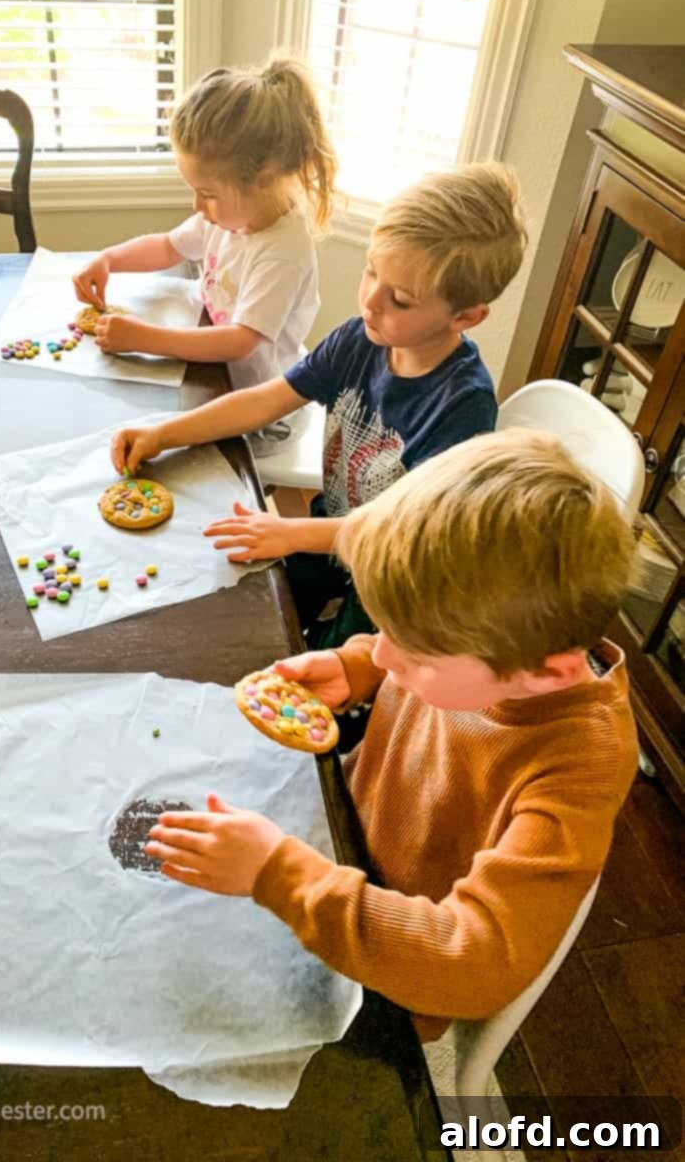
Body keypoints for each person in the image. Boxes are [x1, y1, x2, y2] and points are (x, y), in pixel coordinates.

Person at [144, 430, 639, 1040]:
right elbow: (416, 663)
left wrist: (277, 873)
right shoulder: (490, 650)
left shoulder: (578, 768)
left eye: (414, 653)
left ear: (547, 670)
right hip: (339, 835)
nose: (386, 653)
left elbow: (474, 966)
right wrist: (358, 669)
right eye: (383, 631)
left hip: (391, 962)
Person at [112, 162, 528, 651]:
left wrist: (289, 533)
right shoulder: (359, 339)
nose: (371, 302)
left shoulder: (462, 407)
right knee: (240, 613)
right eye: (371, 270)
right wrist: (167, 433)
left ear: (466, 316)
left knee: (331, 681)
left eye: (399, 299)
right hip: (331, 532)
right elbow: (265, 401)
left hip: (392, 575)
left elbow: (407, 533)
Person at [74, 58, 335, 455]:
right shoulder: (227, 218)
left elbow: (239, 341)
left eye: (207, 193)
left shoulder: (283, 251)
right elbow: (167, 246)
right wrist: (109, 258)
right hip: (209, 375)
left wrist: (146, 338)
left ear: (264, 176)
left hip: (255, 409)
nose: (197, 205)